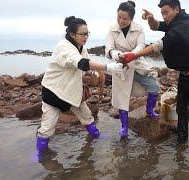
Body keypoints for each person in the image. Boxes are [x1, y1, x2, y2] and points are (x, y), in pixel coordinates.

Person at [122, 0, 189, 146]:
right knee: (181, 109)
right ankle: (182, 138)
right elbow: (157, 26)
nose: (164, 16)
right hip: (184, 75)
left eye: (166, 12)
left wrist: (134, 55)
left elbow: (158, 45)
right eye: (162, 13)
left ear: (176, 9)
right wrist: (150, 18)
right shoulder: (176, 22)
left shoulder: (181, 28)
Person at [36, 16, 124, 157]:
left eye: (87, 33)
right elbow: (80, 62)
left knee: (87, 116)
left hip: (71, 92)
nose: (86, 37)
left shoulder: (81, 48)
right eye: (82, 34)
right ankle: (40, 155)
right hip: (53, 92)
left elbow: (87, 65)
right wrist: (107, 67)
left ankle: (95, 137)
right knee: (47, 127)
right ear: (72, 34)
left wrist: (96, 72)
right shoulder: (64, 47)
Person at [105, 1, 160, 137]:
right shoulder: (112, 30)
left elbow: (141, 45)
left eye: (125, 19)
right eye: (119, 17)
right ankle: (124, 127)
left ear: (131, 19)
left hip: (137, 63)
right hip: (121, 66)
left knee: (154, 86)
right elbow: (108, 49)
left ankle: (150, 110)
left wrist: (132, 54)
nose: (121, 21)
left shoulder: (139, 29)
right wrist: (117, 54)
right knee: (122, 99)